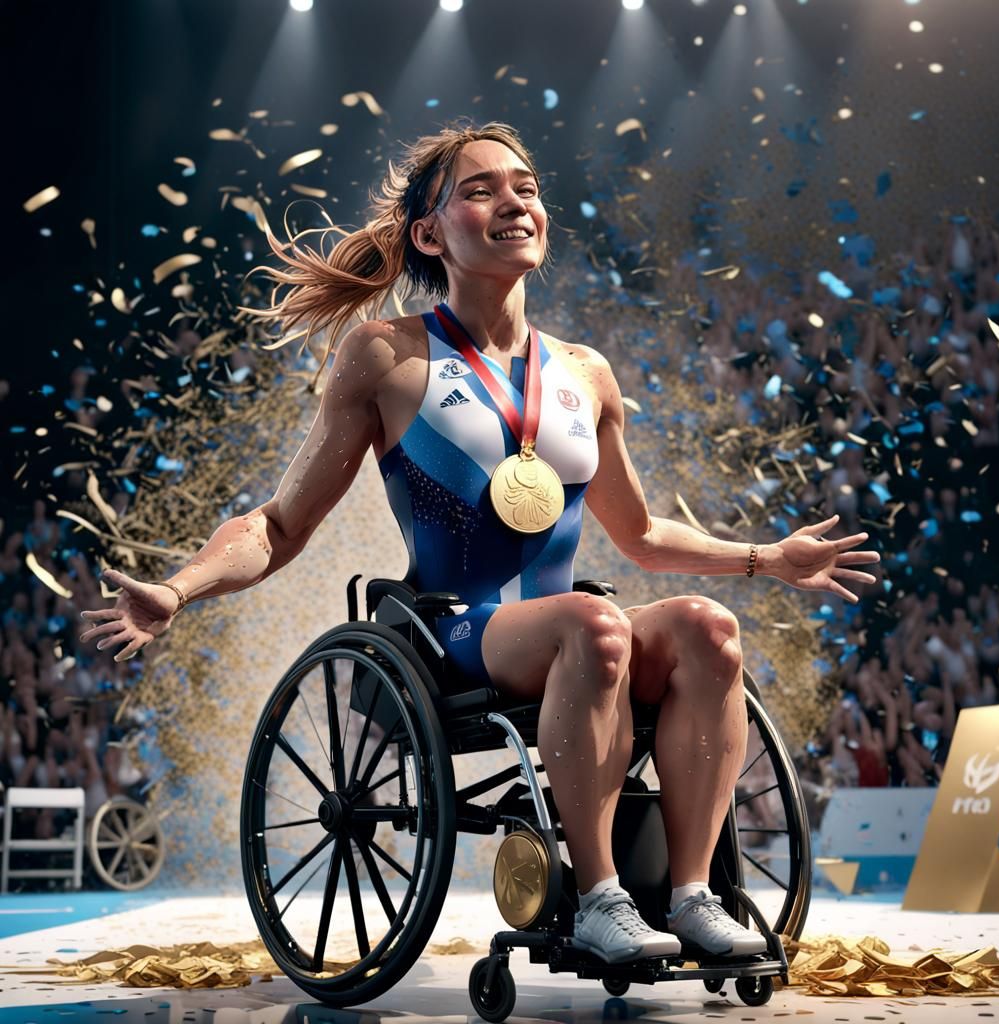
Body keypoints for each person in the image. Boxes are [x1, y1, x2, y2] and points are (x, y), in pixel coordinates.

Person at [80, 120, 879, 965]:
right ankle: (601, 899)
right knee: (595, 626)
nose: (515, 201)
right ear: (429, 234)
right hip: (454, 632)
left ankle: (689, 896)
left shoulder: (585, 373)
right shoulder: (385, 354)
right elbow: (279, 525)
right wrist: (179, 589)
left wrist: (767, 559)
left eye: (526, 186)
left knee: (709, 627)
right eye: (481, 188)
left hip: (571, 626)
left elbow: (640, 536)